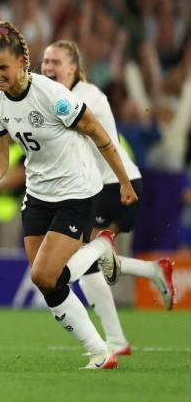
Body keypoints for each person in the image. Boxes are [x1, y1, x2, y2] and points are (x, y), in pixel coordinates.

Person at [0, 21, 139, 370]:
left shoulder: (52, 95)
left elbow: (99, 134)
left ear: (23, 63)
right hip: (38, 194)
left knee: (44, 275)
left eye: (2, 68)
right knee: (47, 283)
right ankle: (100, 351)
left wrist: (124, 181)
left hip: (77, 191)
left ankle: (100, 247)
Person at [41, 40, 176, 347]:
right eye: (45, 62)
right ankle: (120, 333)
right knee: (88, 262)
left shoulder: (87, 96)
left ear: (73, 67)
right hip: (97, 186)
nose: (48, 67)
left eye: (56, 62)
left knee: (85, 257)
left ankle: (117, 334)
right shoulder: (60, 94)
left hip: (116, 184)